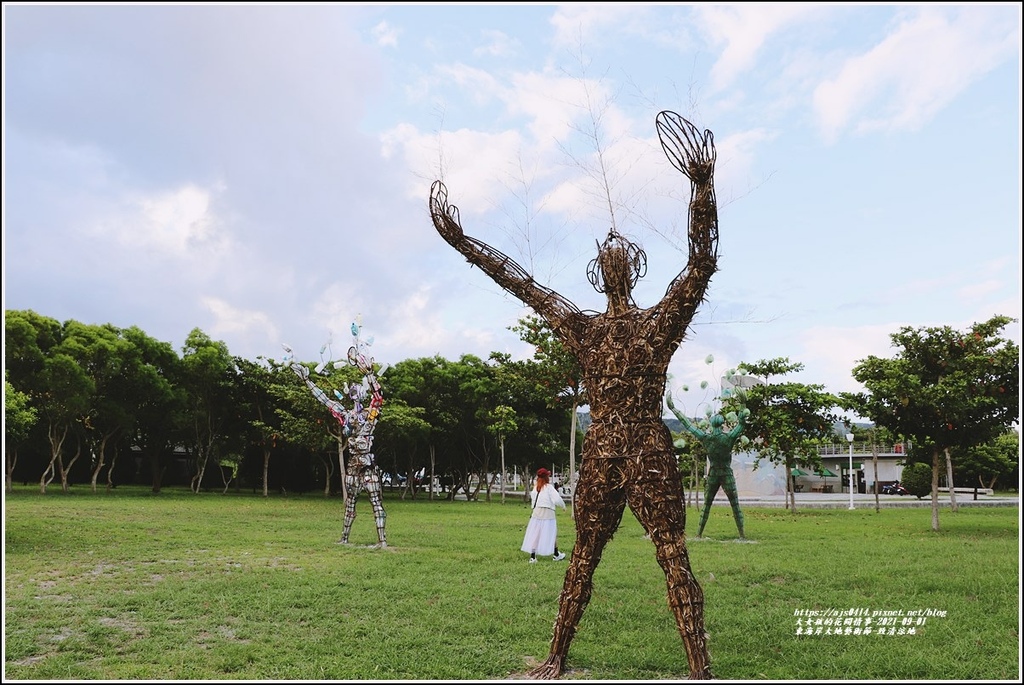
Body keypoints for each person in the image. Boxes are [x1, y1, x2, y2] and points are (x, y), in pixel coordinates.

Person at [429, 110, 718, 679]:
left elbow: (701, 262)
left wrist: (702, 187)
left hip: (646, 448)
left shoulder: (654, 324)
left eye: (619, 251)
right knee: (582, 558)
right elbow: (520, 284)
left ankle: (700, 669)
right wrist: (460, 240)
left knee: (673, 557)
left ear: (627, 268)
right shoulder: (584, 329)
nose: (613, 252)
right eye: (607, 252)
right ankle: (556, 656)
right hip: (604, 450)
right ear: (604, 271)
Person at [283, 331, 387, 548]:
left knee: (376, 502)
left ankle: (382, 541)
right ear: (350, 394)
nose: (356, 392)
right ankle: (344, 538)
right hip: (352, 467)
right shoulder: (347, 415)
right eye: (354, 390)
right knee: (350, 505)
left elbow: (379, 397)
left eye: (360, 389)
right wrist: (307, 380)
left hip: (367, 465)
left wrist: (369, 372)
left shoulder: (370, 414)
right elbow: (324, 399)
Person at [666, 392, 749, 539]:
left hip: (713, 474)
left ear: (711, 423)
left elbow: (687, 424)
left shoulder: (705, 438)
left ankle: (699, 534)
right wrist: (743, 405)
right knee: (735, 505)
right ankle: (742, 535)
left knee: (706, 505)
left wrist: (673, 409)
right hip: (726, 473)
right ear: (723, 423)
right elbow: (741, 424)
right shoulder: (728, 438)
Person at [521, 468, 568, 563]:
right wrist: (563, 506)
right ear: (546, 477)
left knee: (535, 534)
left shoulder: (536, 487)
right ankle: (556, 554)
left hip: (536, 512)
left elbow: (533, 501)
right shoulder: (549, 487)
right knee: (552, 533)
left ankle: (533, 557)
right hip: (548, 513)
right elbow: (556, 499)